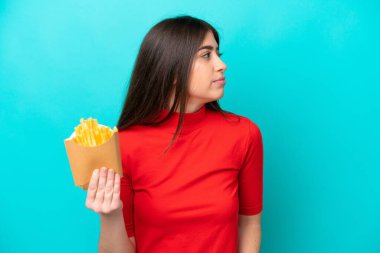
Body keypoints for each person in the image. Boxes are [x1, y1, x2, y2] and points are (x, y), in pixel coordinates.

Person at [85, 15, 263, 253]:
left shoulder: (243, 134)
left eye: (218, 54)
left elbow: (250, 223)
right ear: (172, 70)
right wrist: (110, 215)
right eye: (206, 55)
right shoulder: (125, 145)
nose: (221, 65)